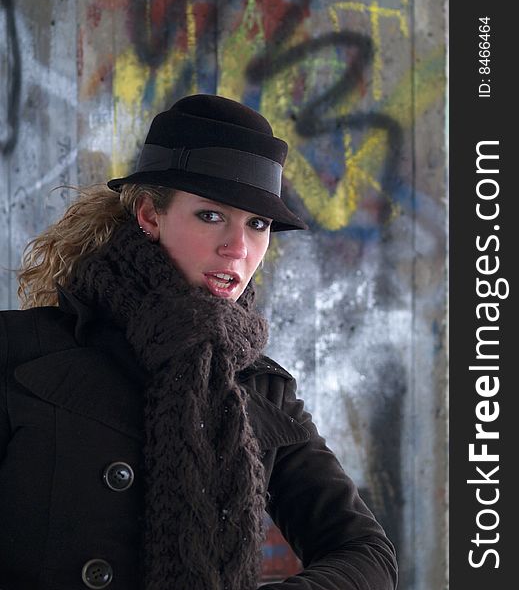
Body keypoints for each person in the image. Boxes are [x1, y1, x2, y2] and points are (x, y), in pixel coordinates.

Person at [0, 94, 397, 590]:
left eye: (258, 223)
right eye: (212, 216)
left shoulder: (258, 389)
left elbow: (366, 553)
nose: (238, 247)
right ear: (149, 214)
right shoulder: (23, 351)